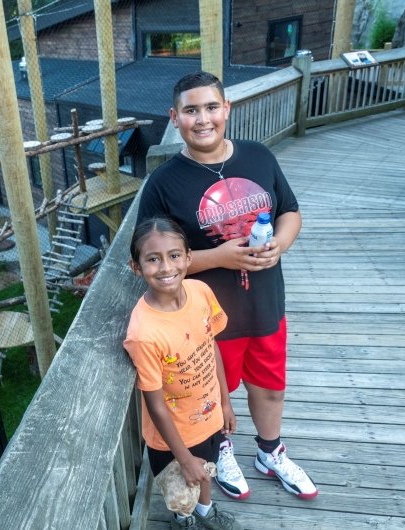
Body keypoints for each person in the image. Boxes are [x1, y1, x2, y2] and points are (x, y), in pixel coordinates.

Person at [137, 71, 318, 501]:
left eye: (211, 107)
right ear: (175, 118)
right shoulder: (163, 183)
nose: (203, 119)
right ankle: (221, 451)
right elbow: (143, 260)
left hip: (267, 304)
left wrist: (280, 244)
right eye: (191, 110)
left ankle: (270, 452)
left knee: (270, 386)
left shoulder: (259, 157)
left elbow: (290, 211)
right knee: (211, 394)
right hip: (206, 319)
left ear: (227, 110)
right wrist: (219, 257)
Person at [123, 217, 242, 530]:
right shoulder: (144, 332)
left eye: (174, 255)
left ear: (189, 257)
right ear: (136, 267)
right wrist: (184, 458)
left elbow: (210, 345)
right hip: (171, 436)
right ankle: (184, 520)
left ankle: (206, 511)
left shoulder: (200, 292)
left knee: (207, 471)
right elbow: (155, 404)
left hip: (209, 417)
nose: (166, 267)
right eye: (153, 259)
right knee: (181, 487)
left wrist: (225, 402)